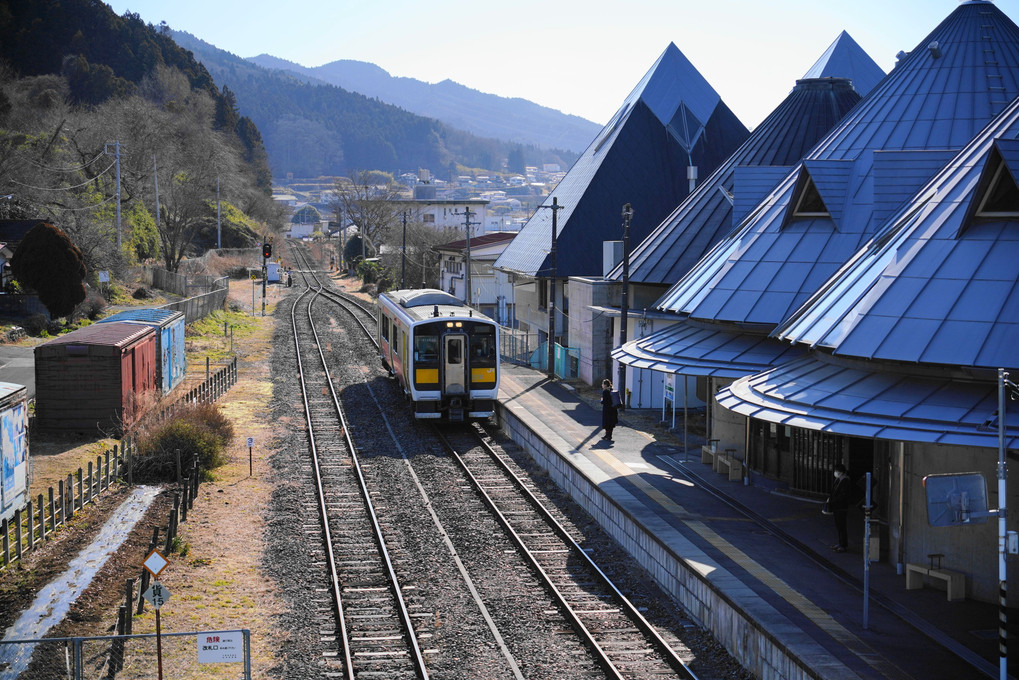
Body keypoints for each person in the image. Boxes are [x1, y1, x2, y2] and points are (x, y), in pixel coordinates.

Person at [828, 462, 852, 552]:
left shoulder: (845, 480)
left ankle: (843, 545)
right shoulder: (838, 479)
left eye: (836, 470)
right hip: (837, 506)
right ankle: (840, 543)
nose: (835, 472)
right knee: (839, 526)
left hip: (841, 507)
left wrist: (833, 500)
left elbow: (843, 495)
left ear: (841, 471)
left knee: (841, 526)